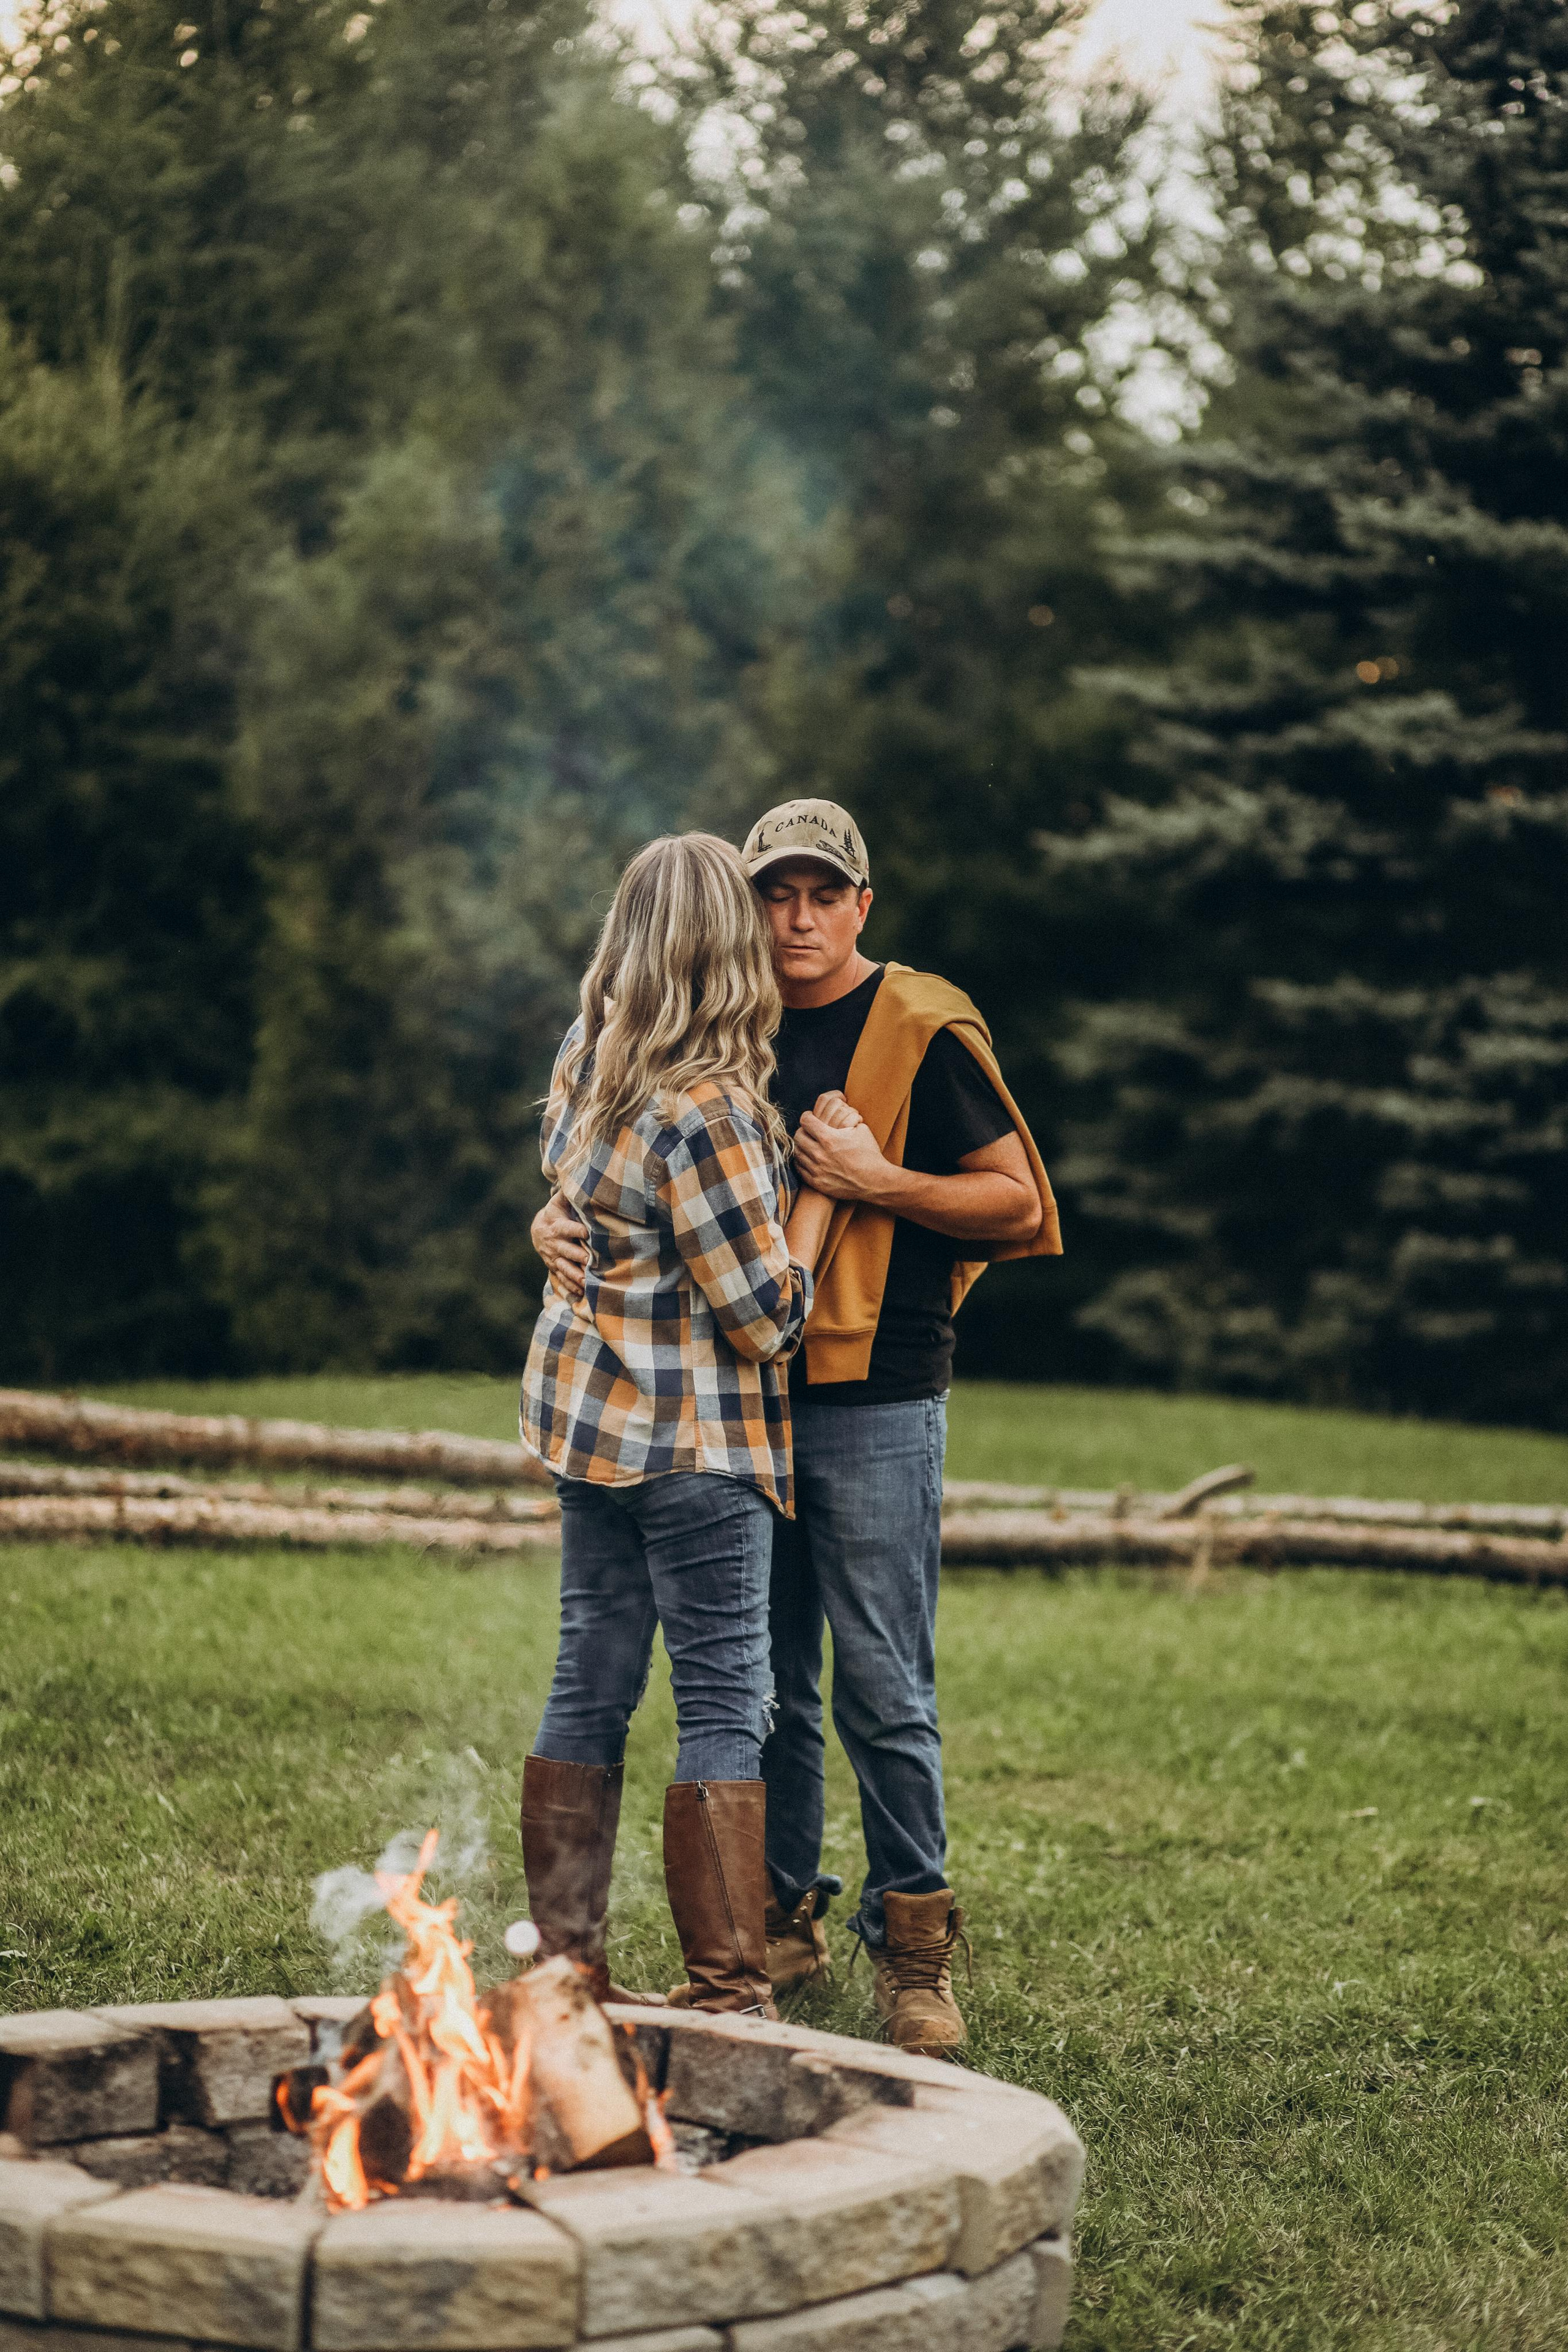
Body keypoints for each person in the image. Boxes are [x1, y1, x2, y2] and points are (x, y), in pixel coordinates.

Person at [535, 801, 1060, 2057]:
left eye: (826, 894)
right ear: (743, 906)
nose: (800, 917)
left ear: (862, 905)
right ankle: (773, 1926)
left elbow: (1019, 1203)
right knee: (764, 1690)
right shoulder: (712, 1016)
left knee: (882, 1684)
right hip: (733, 1407)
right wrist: (548, 1219)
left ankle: (914, 1953)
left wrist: (874, 1183)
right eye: (777, 893)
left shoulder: (919, 1026)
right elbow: (612, 1172)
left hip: (872, 1392)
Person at [518, 831, 842, 2016]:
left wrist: (547, 1226)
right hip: (696, 1449)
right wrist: (819, 1199)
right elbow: (766, 1317)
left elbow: (567, 1193)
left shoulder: (588, 1054)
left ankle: (564, 1975)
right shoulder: (707, 1112)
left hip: (588, 1429)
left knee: (588, 1680)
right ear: (727, 949)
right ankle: (727, 1988)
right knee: (721, 1700)